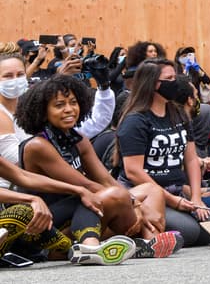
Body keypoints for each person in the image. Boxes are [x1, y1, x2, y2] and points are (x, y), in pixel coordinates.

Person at [16, 75, 147, 265]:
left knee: (149, 191)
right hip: (45, 223)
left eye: (73, 102)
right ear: (43, 112)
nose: (69, 109)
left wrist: (136, 205)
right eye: (59, 105)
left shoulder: (79, 139)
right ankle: (96, 247)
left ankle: (145, 240)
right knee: (110, 196)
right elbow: (84, 184)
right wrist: (130, 202)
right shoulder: (38, 146)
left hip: (77, 211)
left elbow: (105, 180)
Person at [114, 60, 201, 254]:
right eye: (169, 79)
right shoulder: (136, 121)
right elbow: (133, 171)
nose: (175, 83)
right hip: (147, 194)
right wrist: (173, 200)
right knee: (191, 231)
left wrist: (197, 197)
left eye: (175, 77)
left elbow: (191, 159)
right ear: (153, 84)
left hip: (177, 190)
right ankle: (140, 232)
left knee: (207, 231)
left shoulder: (178, 113)